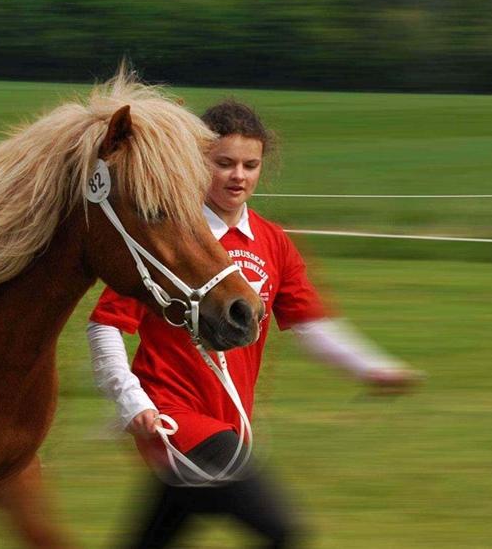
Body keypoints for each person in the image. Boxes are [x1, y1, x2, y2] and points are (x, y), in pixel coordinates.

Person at [87, 100, 421, 548]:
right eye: (222, 163)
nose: (237, 175)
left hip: (230, 421)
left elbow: (309, 324)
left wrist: (371, 367)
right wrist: (132, 402)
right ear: (194, 164)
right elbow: (106, 324)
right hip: (174, 419)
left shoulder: (273, 241)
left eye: (250, 164)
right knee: (281, 531)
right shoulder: (171, 240)